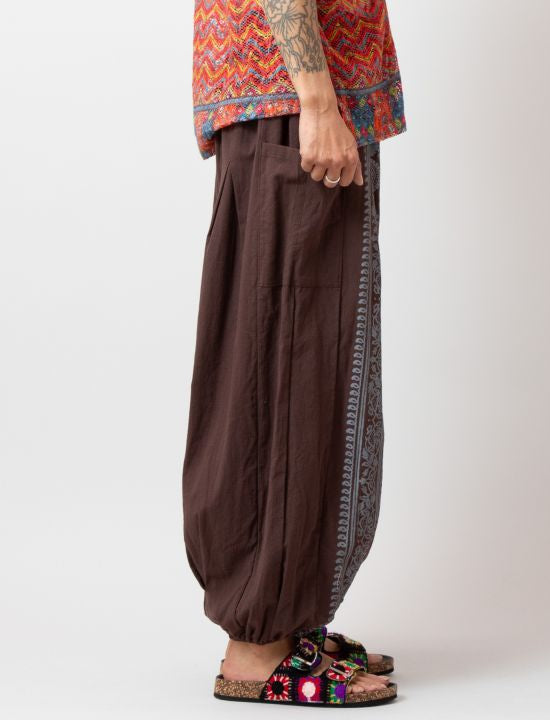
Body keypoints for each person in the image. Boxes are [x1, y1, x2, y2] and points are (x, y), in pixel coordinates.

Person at [182, 0, 406, 707]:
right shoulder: (304, 103)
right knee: (285, 361)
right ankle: (257, 646)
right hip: (292, 101)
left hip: (301, 98)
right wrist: (315, 100)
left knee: (311, 361)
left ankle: (290, 620)